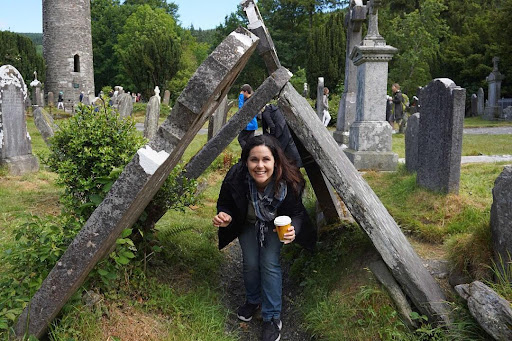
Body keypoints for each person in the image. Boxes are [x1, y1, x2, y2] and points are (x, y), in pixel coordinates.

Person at [213, 135, 316, 341]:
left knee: (269, 262)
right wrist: (225, 216)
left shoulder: (288, 180)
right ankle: (253, 300)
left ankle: (271, 317)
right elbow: (224, 203)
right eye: (254, 160)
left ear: (275, 161)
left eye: (266, 160)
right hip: (247, 223)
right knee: (251, 263)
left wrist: (293, 229)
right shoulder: (236, 177)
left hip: (275, 224)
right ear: (246, 162)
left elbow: (297, 213)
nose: (260, 166)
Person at [237, 84, 258, 149]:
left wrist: (241, 96)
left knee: (241, 139)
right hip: (253, 124)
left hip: (248, 124)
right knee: (249, 142)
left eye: (242, 92)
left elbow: (241, 109)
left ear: (245, 92)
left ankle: (247, 153)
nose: (242, 94)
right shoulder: (251, 99)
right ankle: (249, 155)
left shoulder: (249, 100)